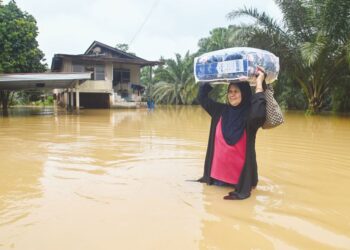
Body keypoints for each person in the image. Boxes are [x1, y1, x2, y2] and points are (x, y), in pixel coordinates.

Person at [197, 68, 267, 200]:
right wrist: (210, 75)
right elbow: (201, 98)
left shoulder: (250, 116)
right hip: (216, 180)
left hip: (239, 184)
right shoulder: (219, 111)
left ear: (244, 93)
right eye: (230, 91)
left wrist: (259, 82)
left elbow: (260, 113)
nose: (232, 94)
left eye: (236, 91)